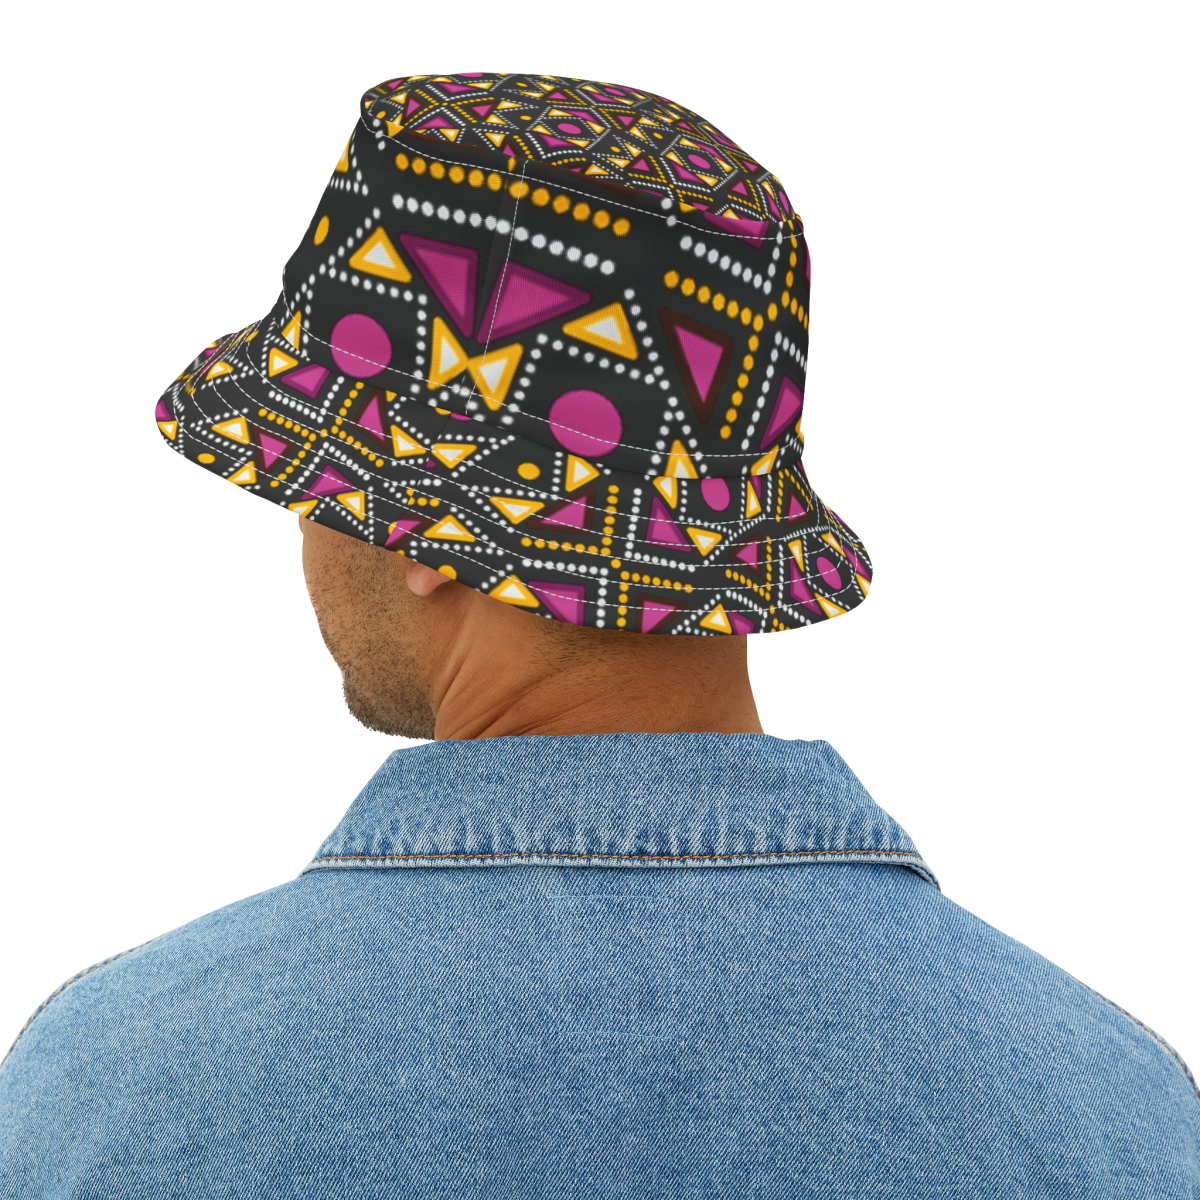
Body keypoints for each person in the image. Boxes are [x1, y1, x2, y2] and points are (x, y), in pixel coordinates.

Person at [1, 71, 1195, 1198]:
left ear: (430, 529)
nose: (306, 536)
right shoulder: (1114, 1112)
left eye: (318, 484)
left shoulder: (103, 1092)